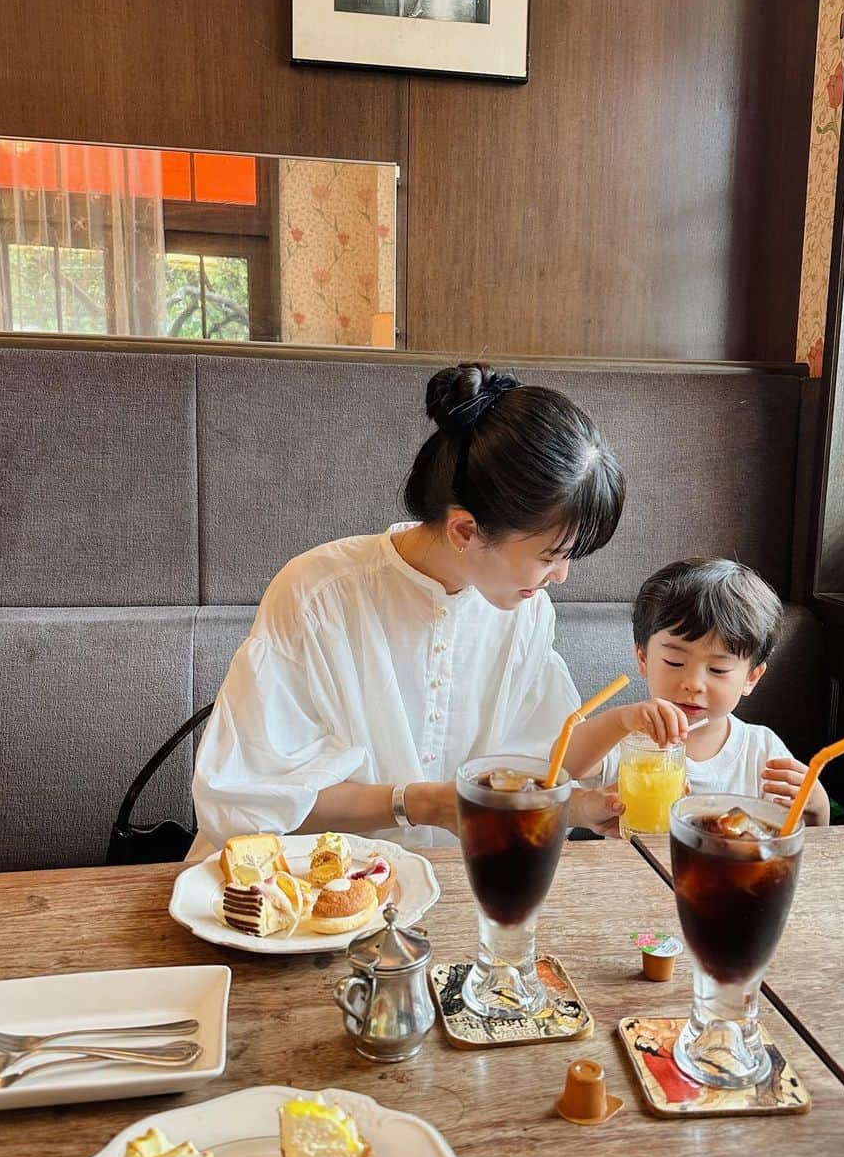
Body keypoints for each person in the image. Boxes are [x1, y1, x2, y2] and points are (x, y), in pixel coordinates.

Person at [191, 362, 628, 852]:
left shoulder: (527, 614)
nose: (561, 577)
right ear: (464, 530)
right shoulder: (321, 594)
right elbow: (247, 805)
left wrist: (578, 804)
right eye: (551, 555)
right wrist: (424, 804)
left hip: (453, 891)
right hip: (300, 896)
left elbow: (531, 770)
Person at [558, 557, 831, 825]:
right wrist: (621, 720)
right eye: (675, 662)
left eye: (718, 670)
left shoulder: (761, 750)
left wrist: (818, 808)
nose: (693, 683)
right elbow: (565, 765)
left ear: (751, 677)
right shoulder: (629, 739)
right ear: (643, 659)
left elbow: (800, 837)